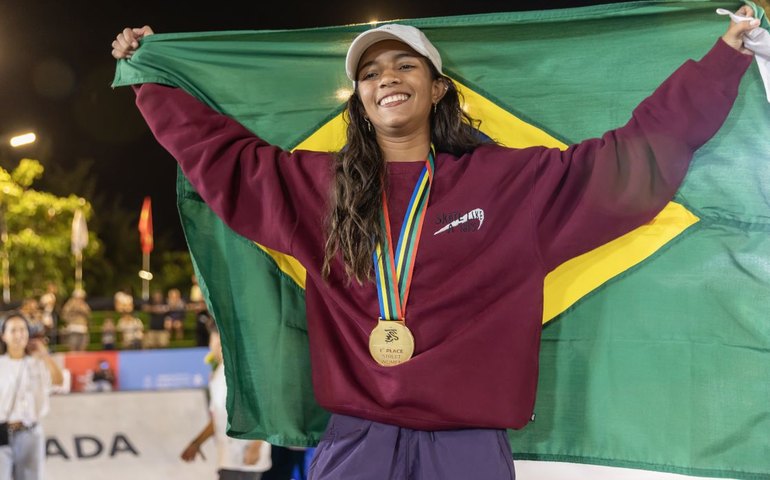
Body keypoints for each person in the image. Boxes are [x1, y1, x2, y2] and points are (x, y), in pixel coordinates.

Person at [112, 10, 758, 480]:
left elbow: (629, 163)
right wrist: (149, 78)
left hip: (468, 447)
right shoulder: (322, 189)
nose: (386, 79)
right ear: (360, 100)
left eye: (403, 65)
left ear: (438, 86)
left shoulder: (505, 184)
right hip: (357, 443)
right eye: (370, 73)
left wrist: (723, 59)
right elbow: (224, 160)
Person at [181, 322, 272, 479]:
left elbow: (265, 408)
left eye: (212, 340)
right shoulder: (220, 372)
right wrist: (197, 442)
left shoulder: (245, 369)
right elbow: (219, 417)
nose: (211, 345)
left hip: (245, 457)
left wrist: (256, 446)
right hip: (229, 458)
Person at [0, 311, 64, 480]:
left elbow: (58, 381)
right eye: (13, 330)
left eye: (22, 329)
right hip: (2, 432)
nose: (18, 334)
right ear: (3, 336)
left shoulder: (37, 363)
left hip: (30, 432)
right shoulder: (1, 365)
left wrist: (44, 355)